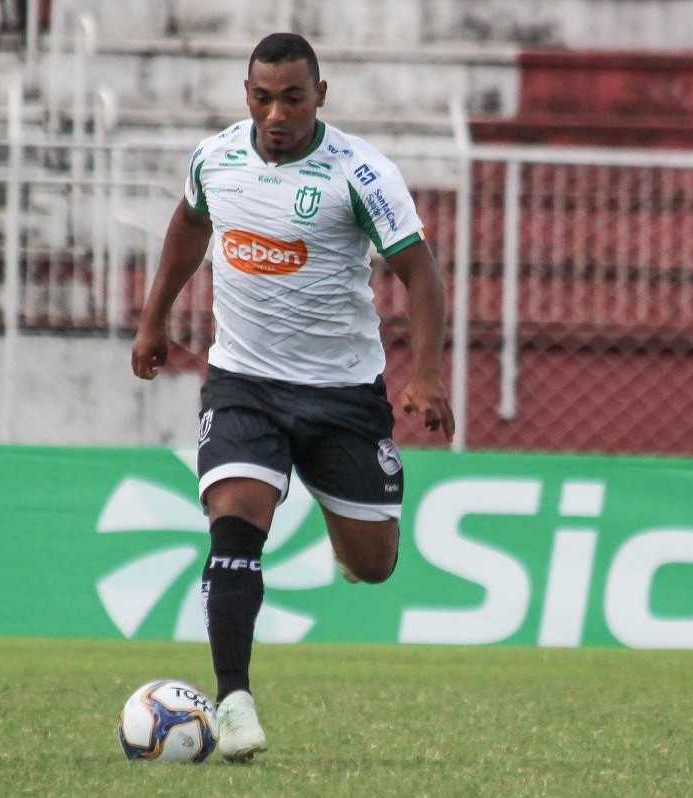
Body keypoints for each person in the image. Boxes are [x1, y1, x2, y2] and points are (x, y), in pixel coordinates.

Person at [129, 32, 453, 763]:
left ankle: (348, 526)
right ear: (247, 95)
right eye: (262, 97)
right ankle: (235, 702)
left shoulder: (362, 173)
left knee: (373, 564)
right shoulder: (215, 158)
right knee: (236, 520)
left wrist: (426, 372)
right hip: (245, 382)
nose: (277, 114)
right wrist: (154, 320)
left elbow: (422, 274)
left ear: (320, 96)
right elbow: (189, 225)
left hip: (342, 393)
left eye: (293, 98)